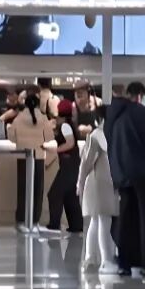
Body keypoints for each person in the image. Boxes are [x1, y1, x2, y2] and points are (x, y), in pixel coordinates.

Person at [104, 81, 145, 277]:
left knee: (127, 219)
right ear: (139, 95)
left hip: (122, 172)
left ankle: (125, 263)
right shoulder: (137, 111)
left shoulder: (112, 115)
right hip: (143, 172)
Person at [77, 105, 118, 274]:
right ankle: (105, 260)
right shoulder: (96, 136)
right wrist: (80, 182)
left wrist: (80, 182)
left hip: (103, 184)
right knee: (103, 221)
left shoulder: (103, 135)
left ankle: (91, 258)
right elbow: (86, 163)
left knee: (98, 220)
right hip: (99, 184)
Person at [7, 93, 55, 226]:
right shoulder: (43, 118)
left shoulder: (19, 117)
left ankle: (21, 218)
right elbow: (50, 137)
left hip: (23, 156)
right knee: (37, 190)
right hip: (39, 156)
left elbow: (11, 137)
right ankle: (34, 219)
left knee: (23, 189)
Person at [46, 100, 82, 233]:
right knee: (70, 195)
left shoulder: (65, 125)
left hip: (68, 165)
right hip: (74, 164)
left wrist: (55, 150)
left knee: (54, 193)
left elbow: (70, 143)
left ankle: (54, 224)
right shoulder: (69, 124)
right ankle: (76, 225)